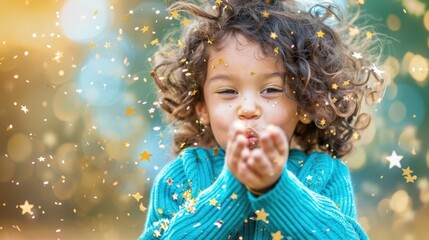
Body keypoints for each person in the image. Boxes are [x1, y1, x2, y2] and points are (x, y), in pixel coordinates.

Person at [139, 0, 384, 239]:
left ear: (307, 103)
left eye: (270, 90)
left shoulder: (325, 175)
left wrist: (276, 189)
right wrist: (232, 186)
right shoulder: (182, 176)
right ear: (202, 108)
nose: (248, 108)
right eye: (227, 91)